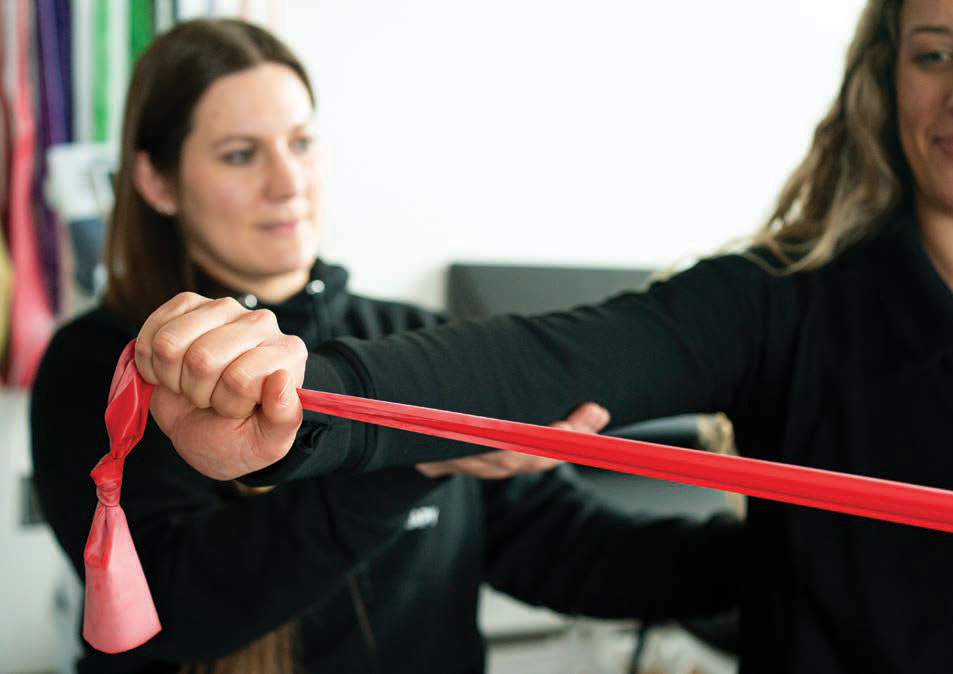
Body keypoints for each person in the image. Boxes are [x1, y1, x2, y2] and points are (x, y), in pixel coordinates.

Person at [126, 1, 953, 672]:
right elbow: (547, 361)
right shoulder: (781, 303)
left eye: (302, 143)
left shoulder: (399, 324)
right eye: (934, 52)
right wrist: (302, 405)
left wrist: (801, 550)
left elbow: (567, 551)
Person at [29, 18, 742, 674]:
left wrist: (782, 554)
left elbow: (565, 548)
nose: (289, 183)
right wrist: (414, 462)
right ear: (156, 179)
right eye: (242, 155)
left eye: (302, 143)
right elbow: (170, 609)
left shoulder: (415, 337)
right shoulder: (105, 363)